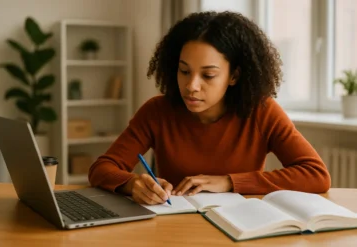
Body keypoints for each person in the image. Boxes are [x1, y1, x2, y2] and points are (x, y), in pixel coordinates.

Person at [88, 11, 331, 205]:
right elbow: (102, 168)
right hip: (174, 228)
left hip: (243, 227)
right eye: (184, 71)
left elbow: (316, 175)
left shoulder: (262, 111)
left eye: (208, 75)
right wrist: (133, 184)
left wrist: (229, 182)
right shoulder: (157, 111)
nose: (191, 86)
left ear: (233, 76)